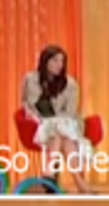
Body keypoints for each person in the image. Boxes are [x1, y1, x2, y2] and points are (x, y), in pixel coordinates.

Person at [20, 45, 94, 194]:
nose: (59, 65)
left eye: (62, 61)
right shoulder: (30, 79)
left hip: (66, 123)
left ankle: (49, 172)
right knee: (60, 135)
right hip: (38, 123)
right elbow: (25, 102)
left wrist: (54, 122)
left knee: (58, 131)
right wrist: (32, 116)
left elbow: (70, 112)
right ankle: (80, 183)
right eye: (55, 60)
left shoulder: (70, 84)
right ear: (45, 61)